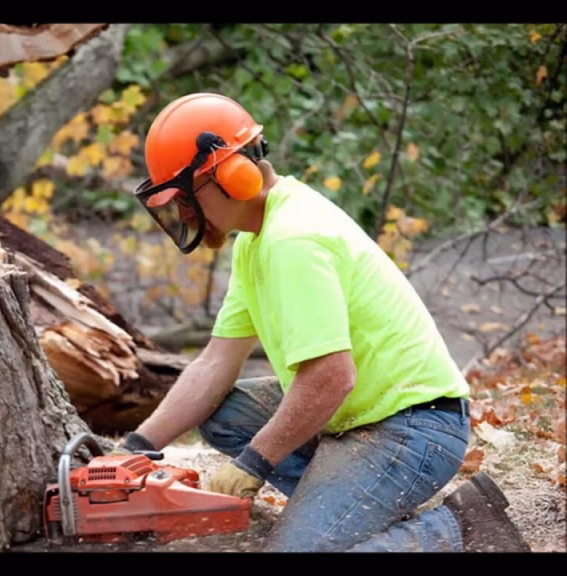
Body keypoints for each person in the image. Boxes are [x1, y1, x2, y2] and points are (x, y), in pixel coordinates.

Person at [115, 92, 531, 552]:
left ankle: (460, 527)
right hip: (356, 415)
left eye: (187, 199)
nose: (185, 215)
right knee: (225, 413)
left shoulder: (293, 239)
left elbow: (331, 378)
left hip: (414, 428)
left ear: (231, 176)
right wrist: (136, 445)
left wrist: (253, 463)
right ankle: (352, 510)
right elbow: (215, 363)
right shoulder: (255, 240)